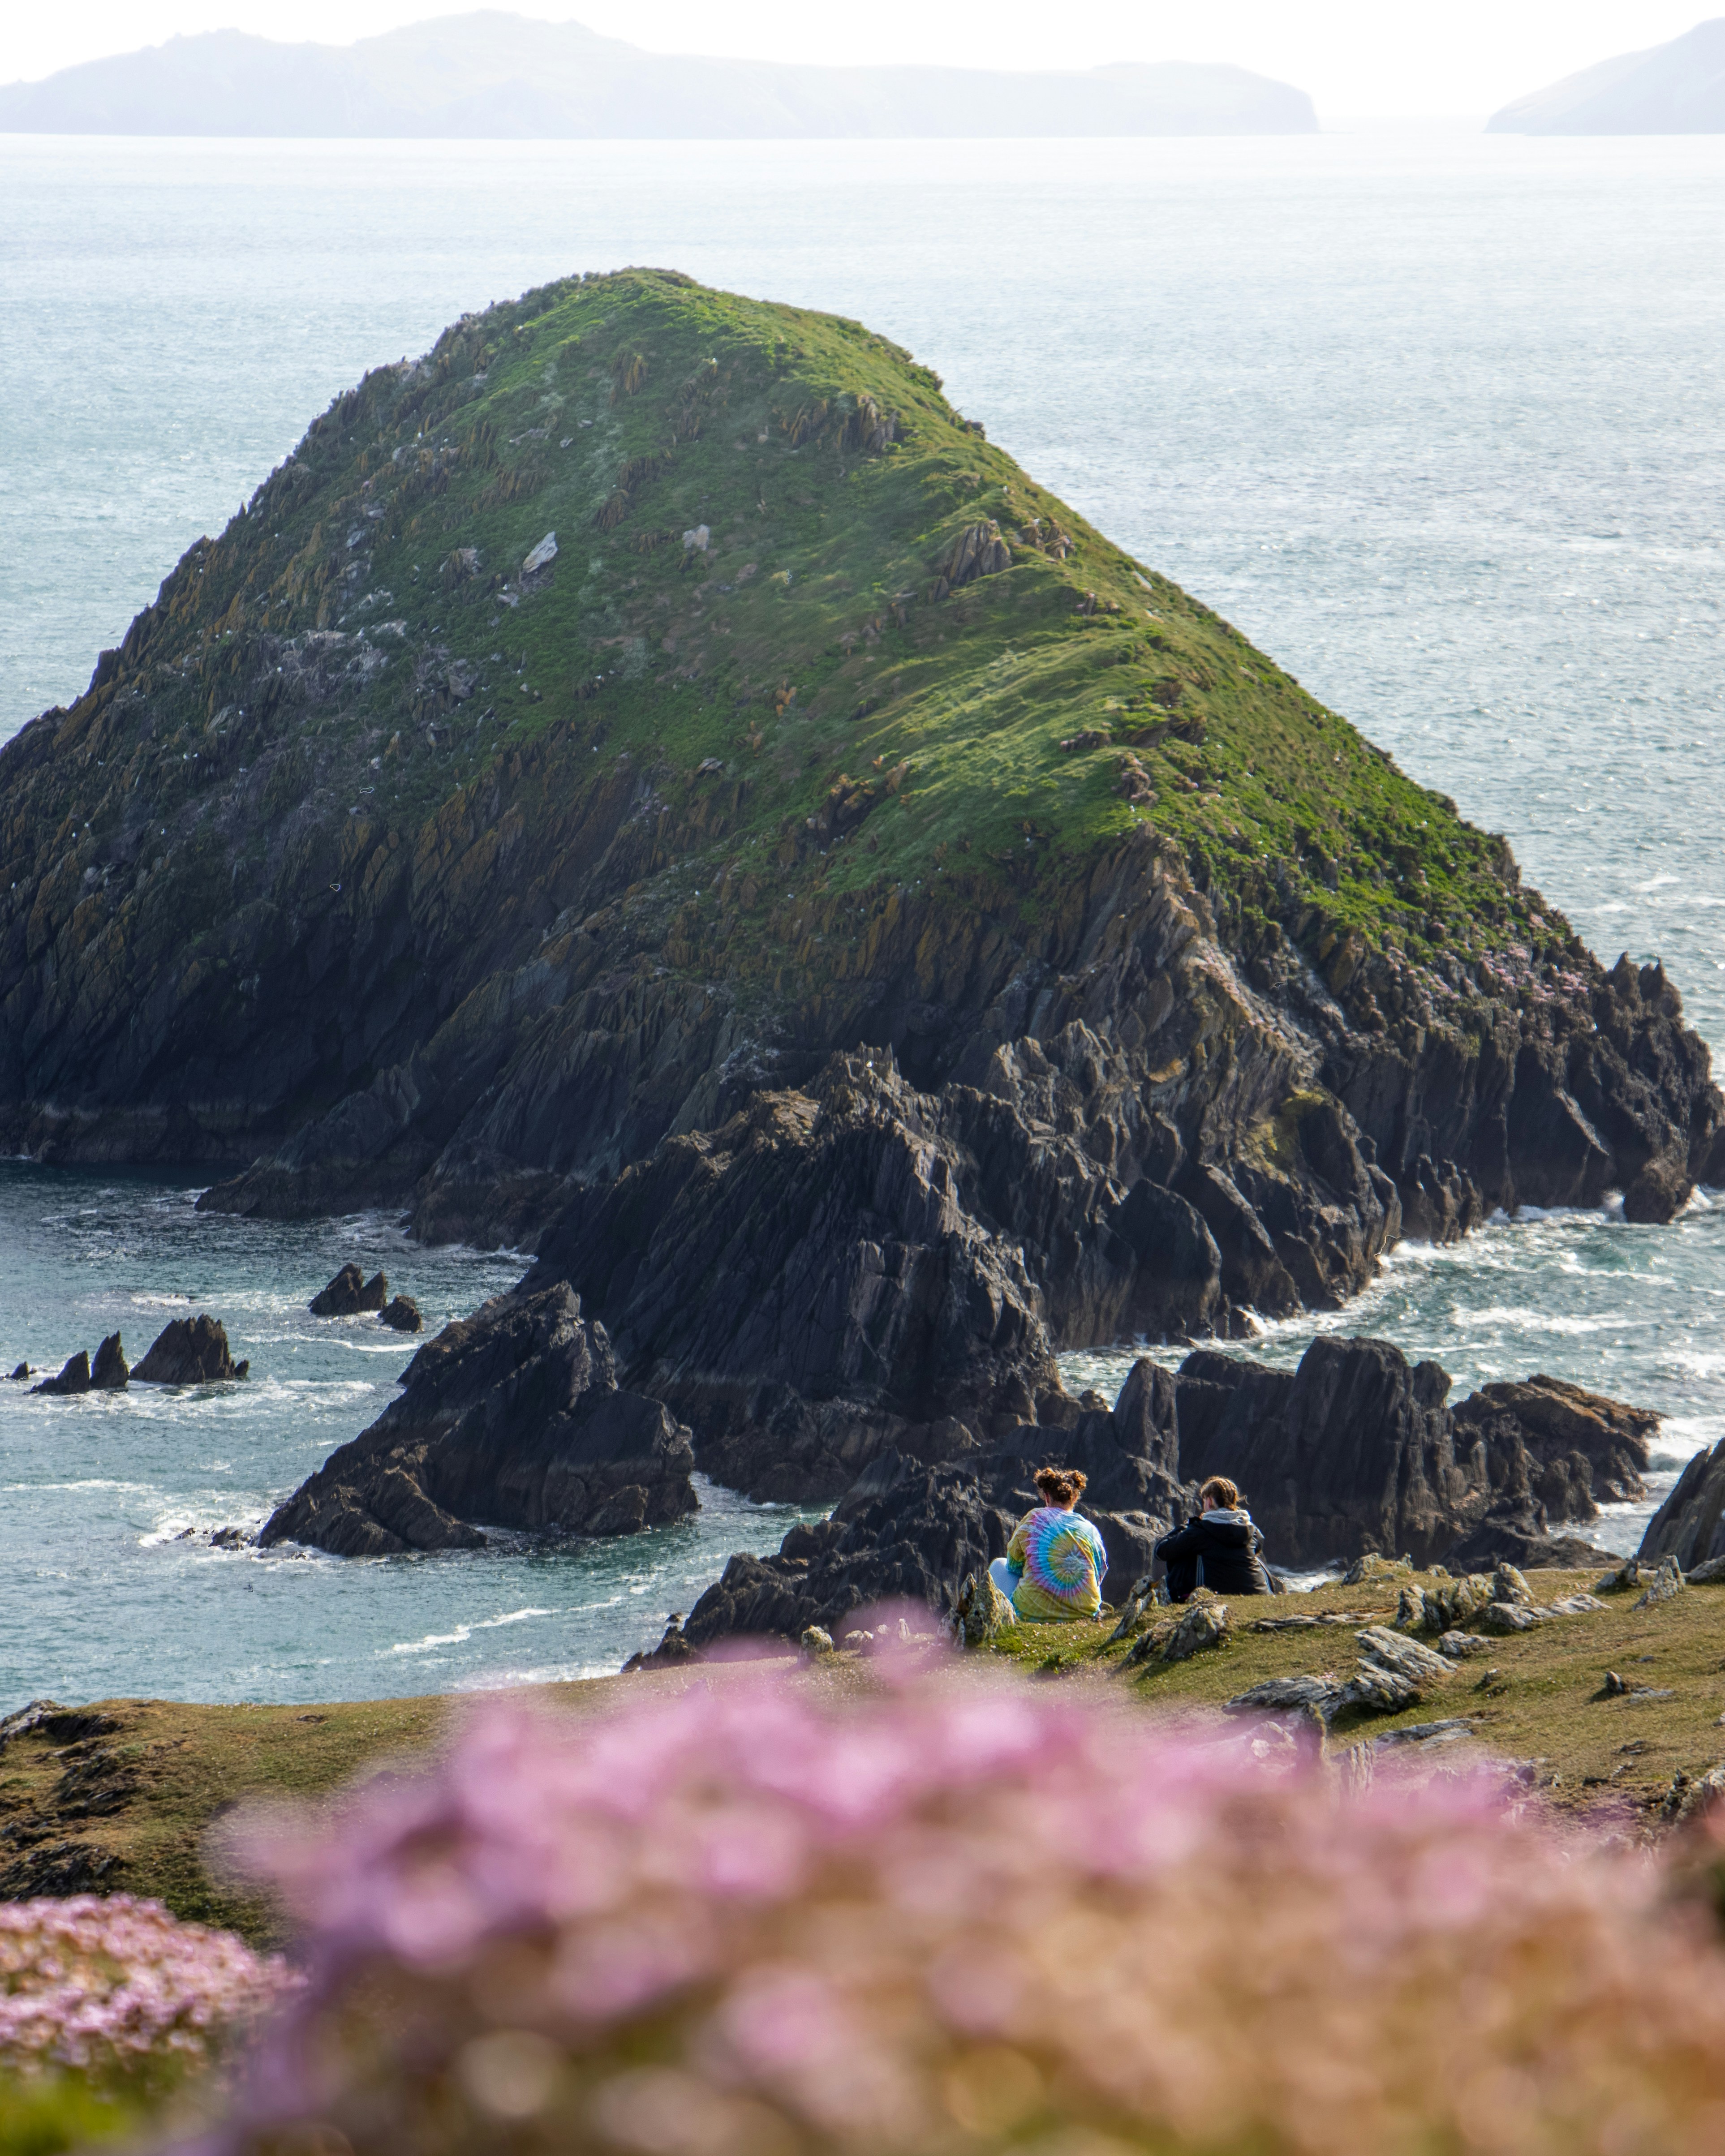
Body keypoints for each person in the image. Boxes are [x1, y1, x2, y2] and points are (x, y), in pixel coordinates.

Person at [989, 1466, 1109, 1622]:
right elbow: (1100, 1572)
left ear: (1046, 1497)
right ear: (1074, 1498)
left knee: (999, 1564)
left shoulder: (1034, 1519)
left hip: (1030, 1614)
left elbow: (1012, 1565)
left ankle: (998, 1620)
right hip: (1085, 1615)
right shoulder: (1091, 1529)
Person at [1154, 1476, 1273, 1601]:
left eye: (1204, 1500)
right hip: (1259, 1596)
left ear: (1210, 1501)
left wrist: (1187, 1526)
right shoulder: (1249, 1528)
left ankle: (1182, 1597)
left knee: (1186, 1558)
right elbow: (1259, 1544)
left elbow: (1161, 1551)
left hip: (1217, 1598)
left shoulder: (1201, 1530)